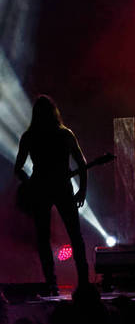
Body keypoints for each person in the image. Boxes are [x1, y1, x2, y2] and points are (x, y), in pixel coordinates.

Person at [13, 95, 89, 294]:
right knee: (75, 236)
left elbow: (18, 168)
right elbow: (82, 164)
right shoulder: (64, 134)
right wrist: (82, 190)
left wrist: (28, 182)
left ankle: (52, 284)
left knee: (43, 237)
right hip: (61, 187)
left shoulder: (30, 136)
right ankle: (83, 282)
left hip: (40, 188)